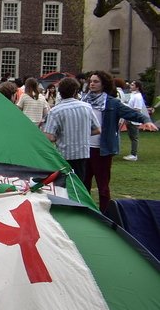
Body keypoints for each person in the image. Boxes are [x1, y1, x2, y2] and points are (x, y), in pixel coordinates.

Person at [80, 71, 155, 210]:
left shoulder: (112, 103)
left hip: (102, 149)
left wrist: (146, 120)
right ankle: (86, 212)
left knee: (103, 186)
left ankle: (105, 213)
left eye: (96, 81)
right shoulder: (83, 101)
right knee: (83, 184)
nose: (92, 84)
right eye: (91, 81)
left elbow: (132, 113)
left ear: (104, 84)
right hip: (84, 148)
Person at [44, 76, 99, 183]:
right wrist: (82, 133)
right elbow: (97, 129)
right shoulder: (86, 107)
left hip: (65, 153)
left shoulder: (55, 111)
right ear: (75, 91)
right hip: (82, 153)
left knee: (66, 186)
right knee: (80, 183)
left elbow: (49, 137)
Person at [123, 80, 146, 160]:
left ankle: (134, 155)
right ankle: (133, 154)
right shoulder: (133, 95)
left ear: (137, 87)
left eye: (132, 85)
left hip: (133, 120)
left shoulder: (138, 97)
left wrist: (130, 117)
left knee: (134, 138)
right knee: (132, 137)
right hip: (129, 119)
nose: (130, 86)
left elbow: (137, 109)